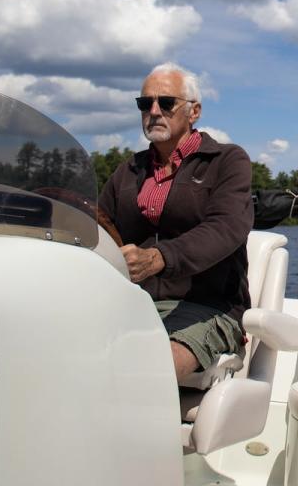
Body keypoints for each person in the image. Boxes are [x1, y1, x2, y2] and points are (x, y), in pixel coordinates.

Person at [98, 62, 254, 382]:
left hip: (210, 307)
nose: (154, 111)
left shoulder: (227, 162)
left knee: (149, 370)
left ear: (194, 112)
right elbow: (98, 228)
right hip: (134, 303)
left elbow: (225, 229)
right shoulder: (128, 171)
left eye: (166, 103)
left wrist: (159, 258)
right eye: (145, 104)